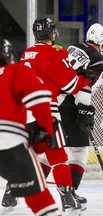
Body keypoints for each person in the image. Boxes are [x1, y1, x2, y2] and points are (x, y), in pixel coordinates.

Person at [1, 17, 96, 213]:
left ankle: (10, 196)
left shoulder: (27, 53)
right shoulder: (55, 51)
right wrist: (83, 79)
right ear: (52, 34)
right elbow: (69, 85)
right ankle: (68, 199)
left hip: (21, 111)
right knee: (57, 155)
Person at [0, 47, 61, 215]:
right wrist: (45, 133)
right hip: (10, 142)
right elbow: (40, 101)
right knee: (39, 200)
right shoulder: (17, 70)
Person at [56, 23, 103, 210]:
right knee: (79, 151)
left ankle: (11, 192)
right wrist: (85, 109)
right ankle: (70, 195)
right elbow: (84, 88)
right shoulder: (98, 60)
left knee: (48, 151)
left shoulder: (73, 47)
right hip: (69, 103)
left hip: (51, 100)